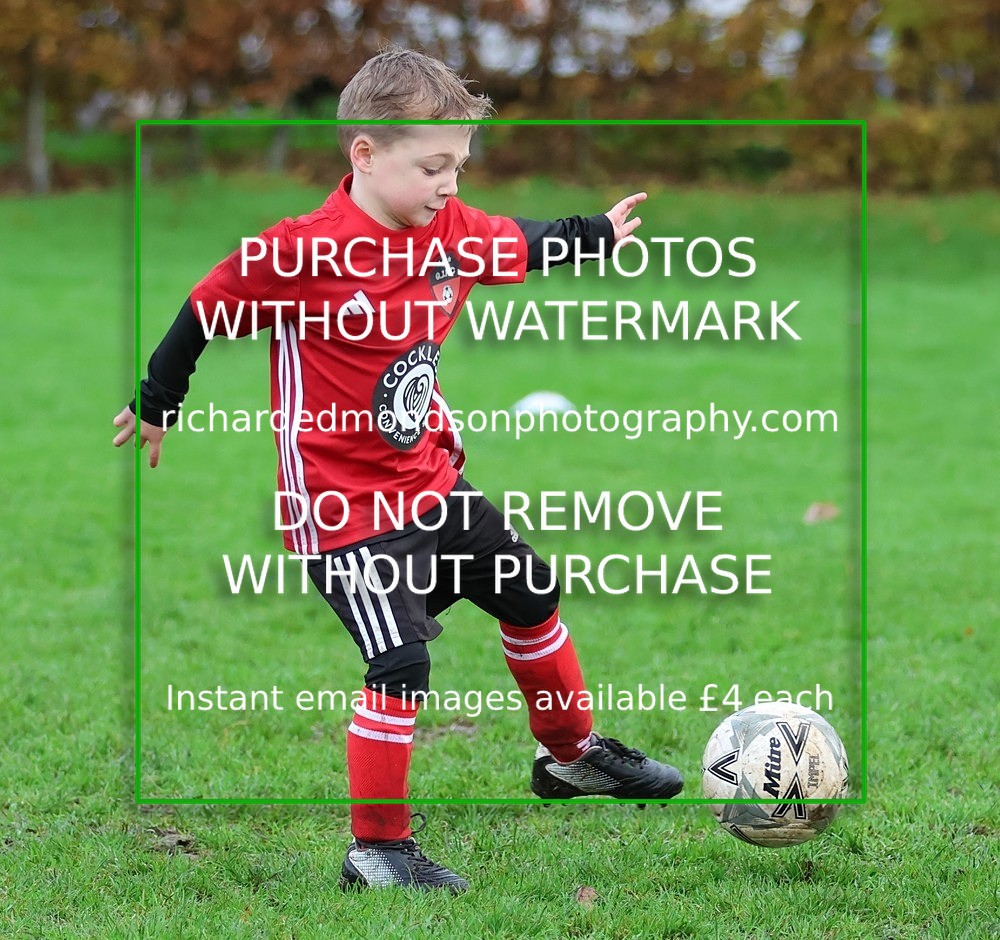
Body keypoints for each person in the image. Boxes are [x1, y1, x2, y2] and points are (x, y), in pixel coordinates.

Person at [114, 47, 683, 894]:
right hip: (345, 513)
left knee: (531, 592)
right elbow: (203, 308)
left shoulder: (449, 231)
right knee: (401, 666)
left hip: (430, 482)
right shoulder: (302, 253)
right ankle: (376, 850)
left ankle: (571, 758)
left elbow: (520, 242)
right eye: (432, 167)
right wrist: (159, 400)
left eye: (458, 167)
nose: (449, 185)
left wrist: (594, 234)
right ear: (365, 155)